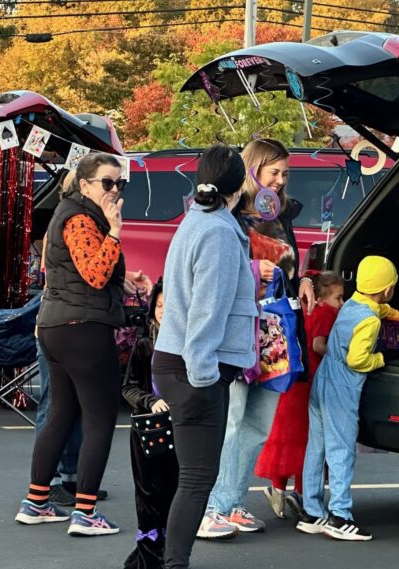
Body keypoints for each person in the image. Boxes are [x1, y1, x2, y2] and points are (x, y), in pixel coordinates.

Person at [199, 138, 317, 536]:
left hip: (276, 330)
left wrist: (302, 282)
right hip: (239, 329)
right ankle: (212, 505)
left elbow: (288, 266)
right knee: (232, 421)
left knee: (257, 425)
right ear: (253, 170)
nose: (281, 181)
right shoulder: (228, 214)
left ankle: (231, 502)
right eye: (274, 172)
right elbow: (218, 268)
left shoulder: (280, 214)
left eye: (285, 173)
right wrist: (255, 270)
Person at [153, 144, 257, 567]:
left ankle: (168, 559)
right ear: (239, 185)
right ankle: (173, 562)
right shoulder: (218, 231)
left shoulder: (198, 221)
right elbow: (207, 310)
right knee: (197, 479)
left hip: (180, 359)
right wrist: (204, 376)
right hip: (195, 366)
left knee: (190, 479)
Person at [14, 152, 127, 536]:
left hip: (58, 325)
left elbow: (76, 273)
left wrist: (127, 281)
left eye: (120, 183)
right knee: (99, 419)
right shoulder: (79, 217)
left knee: (62, 413)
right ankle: (85, 512)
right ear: (84, 185)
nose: (115, 190)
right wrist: (114, 231)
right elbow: (94, 273)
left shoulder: (72, 214)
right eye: (107, 183)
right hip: (82, 329)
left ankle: (36, 501)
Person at [299, 257, 399, 542]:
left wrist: (393, 313)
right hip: (342, 387)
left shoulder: (352, 304)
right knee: (341, 450)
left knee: (316, 448)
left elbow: (376, 306)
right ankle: (340, 516)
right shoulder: (369, 321)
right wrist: (383, 357)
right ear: (388, 289)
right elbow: (357, 360)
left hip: (322, 382)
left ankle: (312, 512)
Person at [256, 271, 344, 520]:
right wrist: (339, 354)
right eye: (338, 297)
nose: (341, 303)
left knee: (285, 436)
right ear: (325, 296)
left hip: (293, 380)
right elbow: (318, 344)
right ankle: (303, 492)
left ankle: (278, 488)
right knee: (311, 439)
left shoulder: (304, 308)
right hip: (312, 381)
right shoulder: (327, 313)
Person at [122, 278, 178, 569]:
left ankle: (170, 550)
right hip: (147, 432)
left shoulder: (185, 345)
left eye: (169, 307)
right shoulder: (145, 345)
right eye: (158, 306)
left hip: (179, 430)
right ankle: (148, 554)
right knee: (147, 493)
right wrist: (149, 401)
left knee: (173, 490)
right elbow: (128, 387)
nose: (162, 311)